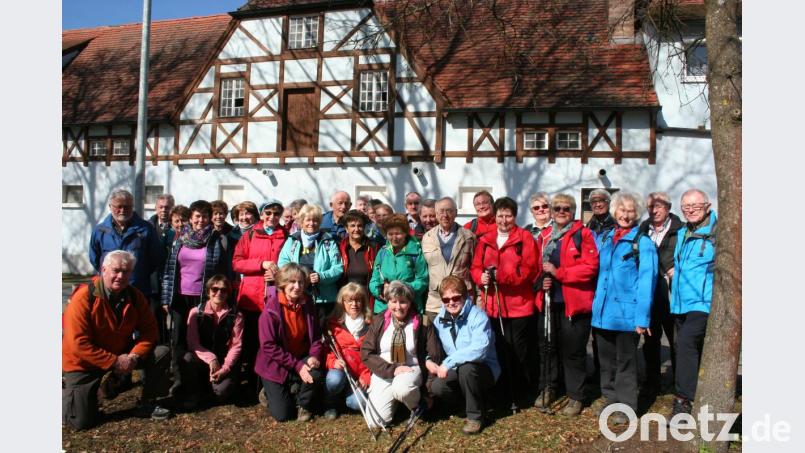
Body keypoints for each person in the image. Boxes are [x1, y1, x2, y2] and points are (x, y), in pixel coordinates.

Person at [63, 250, 170, 430]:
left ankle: (148, 400)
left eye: (126, 271)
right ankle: (68, 392)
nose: (121, 276)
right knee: (79, 422)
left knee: (161, 352)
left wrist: (134, 356)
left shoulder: (134, 296)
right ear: (103, 269)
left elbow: (150, 331)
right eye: (116, 270)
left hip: (119, 353)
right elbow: (78, 344)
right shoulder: (83, 298)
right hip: (83, 362)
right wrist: (115, 361)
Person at [591, 192, 658, 423]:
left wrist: (642, 319)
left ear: (637, 214)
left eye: (630, 211)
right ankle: (610, 399)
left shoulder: (643, 243)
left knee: (626, 362)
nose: (626, 215)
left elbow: (647, 282)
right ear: (615, 212)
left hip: (627, 315)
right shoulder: (607, 238)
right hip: (603, 313)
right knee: (606, 362)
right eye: (622, 210)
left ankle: (626, 406)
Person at [532, 194, 599, 416]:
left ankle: (575, 396)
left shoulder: (583, 234)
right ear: (552, 212)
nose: (561, 212)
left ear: (573, 212)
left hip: (574, 304)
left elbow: (590, 267)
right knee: (548, 348)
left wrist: (559, 272)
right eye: (557, 208)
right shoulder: (546, 237)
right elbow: (538, 267)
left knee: (573, 352)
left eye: (566, 208)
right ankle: (548, 388)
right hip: (549, 302)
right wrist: (543, 281)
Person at [470, 196, 538, 410]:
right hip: (493, 305)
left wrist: (502, 276)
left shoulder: (525, 238)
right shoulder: (486, 239)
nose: (504, 220)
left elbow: (530, 270)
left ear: (514, 216)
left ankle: (521, 392)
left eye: (508, 216)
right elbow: (475, 267)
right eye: (500, 215)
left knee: (518, 351)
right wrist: (480, 277)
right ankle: (502, 391)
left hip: (518, 306)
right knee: (498, 349)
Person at [161, 200, 233, 402]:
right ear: (190, 218)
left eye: (204, 216)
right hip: (179, 297)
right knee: (178, 340)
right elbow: (169, 270)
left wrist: (221, 298)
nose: (200, 220)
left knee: (201, 340)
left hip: (203, 297)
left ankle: (202, 382)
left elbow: (223, 272)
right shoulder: (179, 239)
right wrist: (166, 298)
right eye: (197, 216)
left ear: (209, 218)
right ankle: (179, 382)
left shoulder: (217, 240)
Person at [360, 281, 441, 430]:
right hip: (384, 371)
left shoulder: (423, 322)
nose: (398, 307)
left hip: (411, 369)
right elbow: (366, 352)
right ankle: (398, 402)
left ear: (410, 302)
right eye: (393, 301)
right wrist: (392, 369)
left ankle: (417, 407)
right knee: (375, 422)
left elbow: (434, 355)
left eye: (403, 302)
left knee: (402, 388)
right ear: (388, 302)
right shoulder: (379, 320)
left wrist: (428, 392)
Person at [427, 276, 499, 435]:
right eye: (446, 300)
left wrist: (449, 362)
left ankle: (475, 417)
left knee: (467, 369)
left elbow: (479, 350)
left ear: (465, 296)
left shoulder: (478, 316)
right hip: (457, 369)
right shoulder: (440, 319)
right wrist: (428, 360)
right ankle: (467, 405)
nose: (451, 303)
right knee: (438, 386)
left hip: (483, 368)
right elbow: (433, 346)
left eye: (456, 298)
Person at [232, 198, 288, 400]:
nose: (272, 217)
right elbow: (237, 263)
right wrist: (261, 264)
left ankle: (267, 384)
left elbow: (290, 263)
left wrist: (279, 272)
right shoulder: (250, 234)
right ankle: (249, 384)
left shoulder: (286, 235)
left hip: (276, 296)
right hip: (252, 297)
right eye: (268, 213)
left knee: (272, 341)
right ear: (262, 214)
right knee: (250, 342)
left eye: (276, 213)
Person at [255, 263, 325, 422]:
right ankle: (269, 392)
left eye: (300, 282)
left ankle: (303, 404)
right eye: (292, 282)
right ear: (283, 283)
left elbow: (316, 337)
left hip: (299, 357)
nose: (297, 286)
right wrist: (298, 366)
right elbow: (268, 346)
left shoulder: (307, 303)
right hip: (275, 363)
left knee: (315, 372)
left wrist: (314, 356)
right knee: (283, 414)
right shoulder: (271, 309)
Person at [669, 189, 717, 419]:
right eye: (686, 206)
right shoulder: (682, 232)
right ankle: (698, 394)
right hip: (680, 303)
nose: (690, 210)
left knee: (686, 343)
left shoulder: (718, 232)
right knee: (686, 348)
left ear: (707, 206)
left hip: (703, 302)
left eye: (695, 206)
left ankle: (683, 401)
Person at [637, 192, 683, 396]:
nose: (653, 210)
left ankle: (679, 383)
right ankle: (652, 381)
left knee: (677, 341)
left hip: (673, 294)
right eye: (650, 207)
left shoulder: (680, 229)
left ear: (668, 207)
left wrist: (678, 269)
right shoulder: (643, 229)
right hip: (651, 293)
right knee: (650, 340)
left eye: (658, 206)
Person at [181, 275, 243, 407]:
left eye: (224, 290)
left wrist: (225, 369)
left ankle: (211, 386)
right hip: (202, 358)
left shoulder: (236, 316)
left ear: (228, 293)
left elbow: (236, 346)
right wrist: (211, 359)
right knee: (187, 358)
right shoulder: (196, 313)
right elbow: (192, 342)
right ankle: (193, 393)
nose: (219, 293)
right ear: (208, 291)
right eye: (215, 289)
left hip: (223, 360)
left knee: (221, 392)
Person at [89, 189, 162, 296]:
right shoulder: (100, 230)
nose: (122, 210)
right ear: (110, 207)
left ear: (132, 207)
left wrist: (137, 273)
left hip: (137, 289)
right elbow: (94, 258)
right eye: (119, 206)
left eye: (127, 207)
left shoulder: (146, 229)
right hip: (108, 290)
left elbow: (155, 258)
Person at [278, 204, 344, 322]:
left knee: (321, 331)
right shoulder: (293, 240)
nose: (311, 223)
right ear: (301, 221)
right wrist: (295, 276)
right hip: (297, 297)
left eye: (315, 220)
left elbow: (338, 268)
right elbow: (283, 262)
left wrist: (320, 276)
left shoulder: (328, 241)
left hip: (323, 299)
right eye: (308, 220)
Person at [420, 197, 477, 325]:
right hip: (435, 303)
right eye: (441, 211)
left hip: (461, 301)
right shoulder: (427, 238)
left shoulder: (468, 237)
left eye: (449, 211)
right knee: (433, 337)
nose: (445, 215)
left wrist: (479, 302)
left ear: (456, 213)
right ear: (436, 214)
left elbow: (475, 269)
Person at [322, 283, 373, 420]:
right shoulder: (333, 323)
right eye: (349, 301)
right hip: (341, 371)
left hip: (360, 373)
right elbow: (327, 350)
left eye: (358, 300)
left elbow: (376, 354)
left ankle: (346, 397)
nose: (354, 304)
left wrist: (366, 376)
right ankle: (330, 402)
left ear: (363, 302)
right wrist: (333, 362)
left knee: (357, 403)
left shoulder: (372, 324)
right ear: (342, 302)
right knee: (334, 381)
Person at [368, 213, 429, 314]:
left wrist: (400, 290)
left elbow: (422, 280)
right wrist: (380, 291)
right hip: (384, 308)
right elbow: (374, 279)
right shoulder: (382, 252)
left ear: (405, 233)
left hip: (409, 308)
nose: (394, 237)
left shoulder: (415, 252)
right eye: (390, 234)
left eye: (398, 233)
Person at [149, 193, 176, 345]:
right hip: (153, 280)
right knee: (154, 315)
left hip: (172, 280)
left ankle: (172, 348)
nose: (164, 210)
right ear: (156, 208)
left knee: (174, 318)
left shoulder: (179, 227)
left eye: (167, 207)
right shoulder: (147, 227)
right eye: (161, 207)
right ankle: (158, 347)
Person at [338, 210, 379, 289]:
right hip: (345, 294)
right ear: (346, 228)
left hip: (367, 294)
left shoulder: (373, 247)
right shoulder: (340, 248)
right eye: (352, 226)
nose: (356, 229)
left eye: (360, 226)